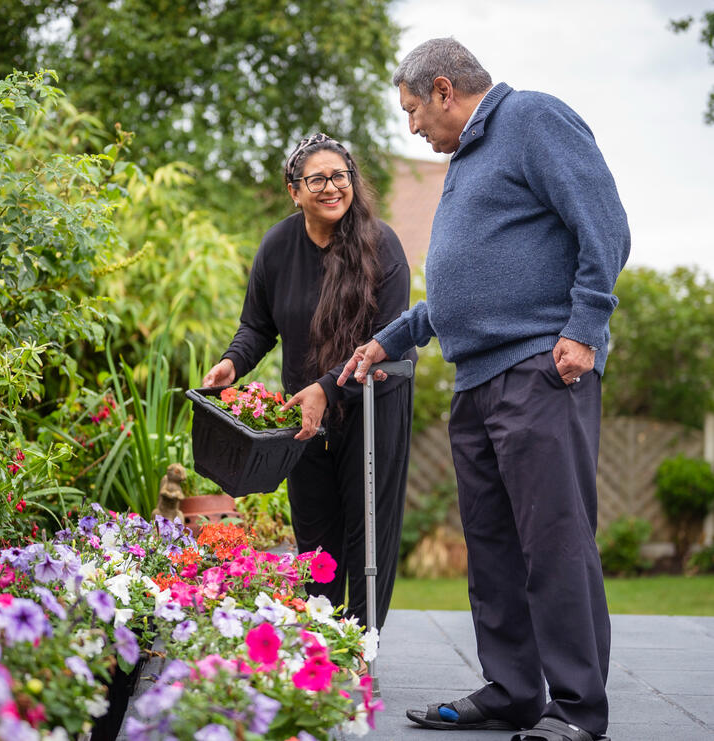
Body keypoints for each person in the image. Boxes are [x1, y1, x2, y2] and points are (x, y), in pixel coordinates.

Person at [338, 38, 630, 741]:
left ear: (444, 89)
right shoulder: (468, 162)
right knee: (493, 547)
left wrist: (585, 326)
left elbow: (606, 226)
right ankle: (513, 689)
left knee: (553, 542)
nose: (411, 127)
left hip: (539, 367)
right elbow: (462, 289)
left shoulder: (531, 119)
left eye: (412, 110)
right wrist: (392, 337)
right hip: (477, 380)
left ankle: (578, 710)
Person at [202, 133, 415, 630]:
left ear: (352, 182)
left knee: (368, 534)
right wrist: (233, 363)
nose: (330, 187)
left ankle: (361, 646)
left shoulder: (382, 246)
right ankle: (321, 641)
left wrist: (326, 387)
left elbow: (388, 338)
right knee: (316, 537)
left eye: (340, 176)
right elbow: (257, 326)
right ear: (294, 190)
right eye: (316, 179)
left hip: (373, 407)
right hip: (306, 417)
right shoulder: (278, 246)